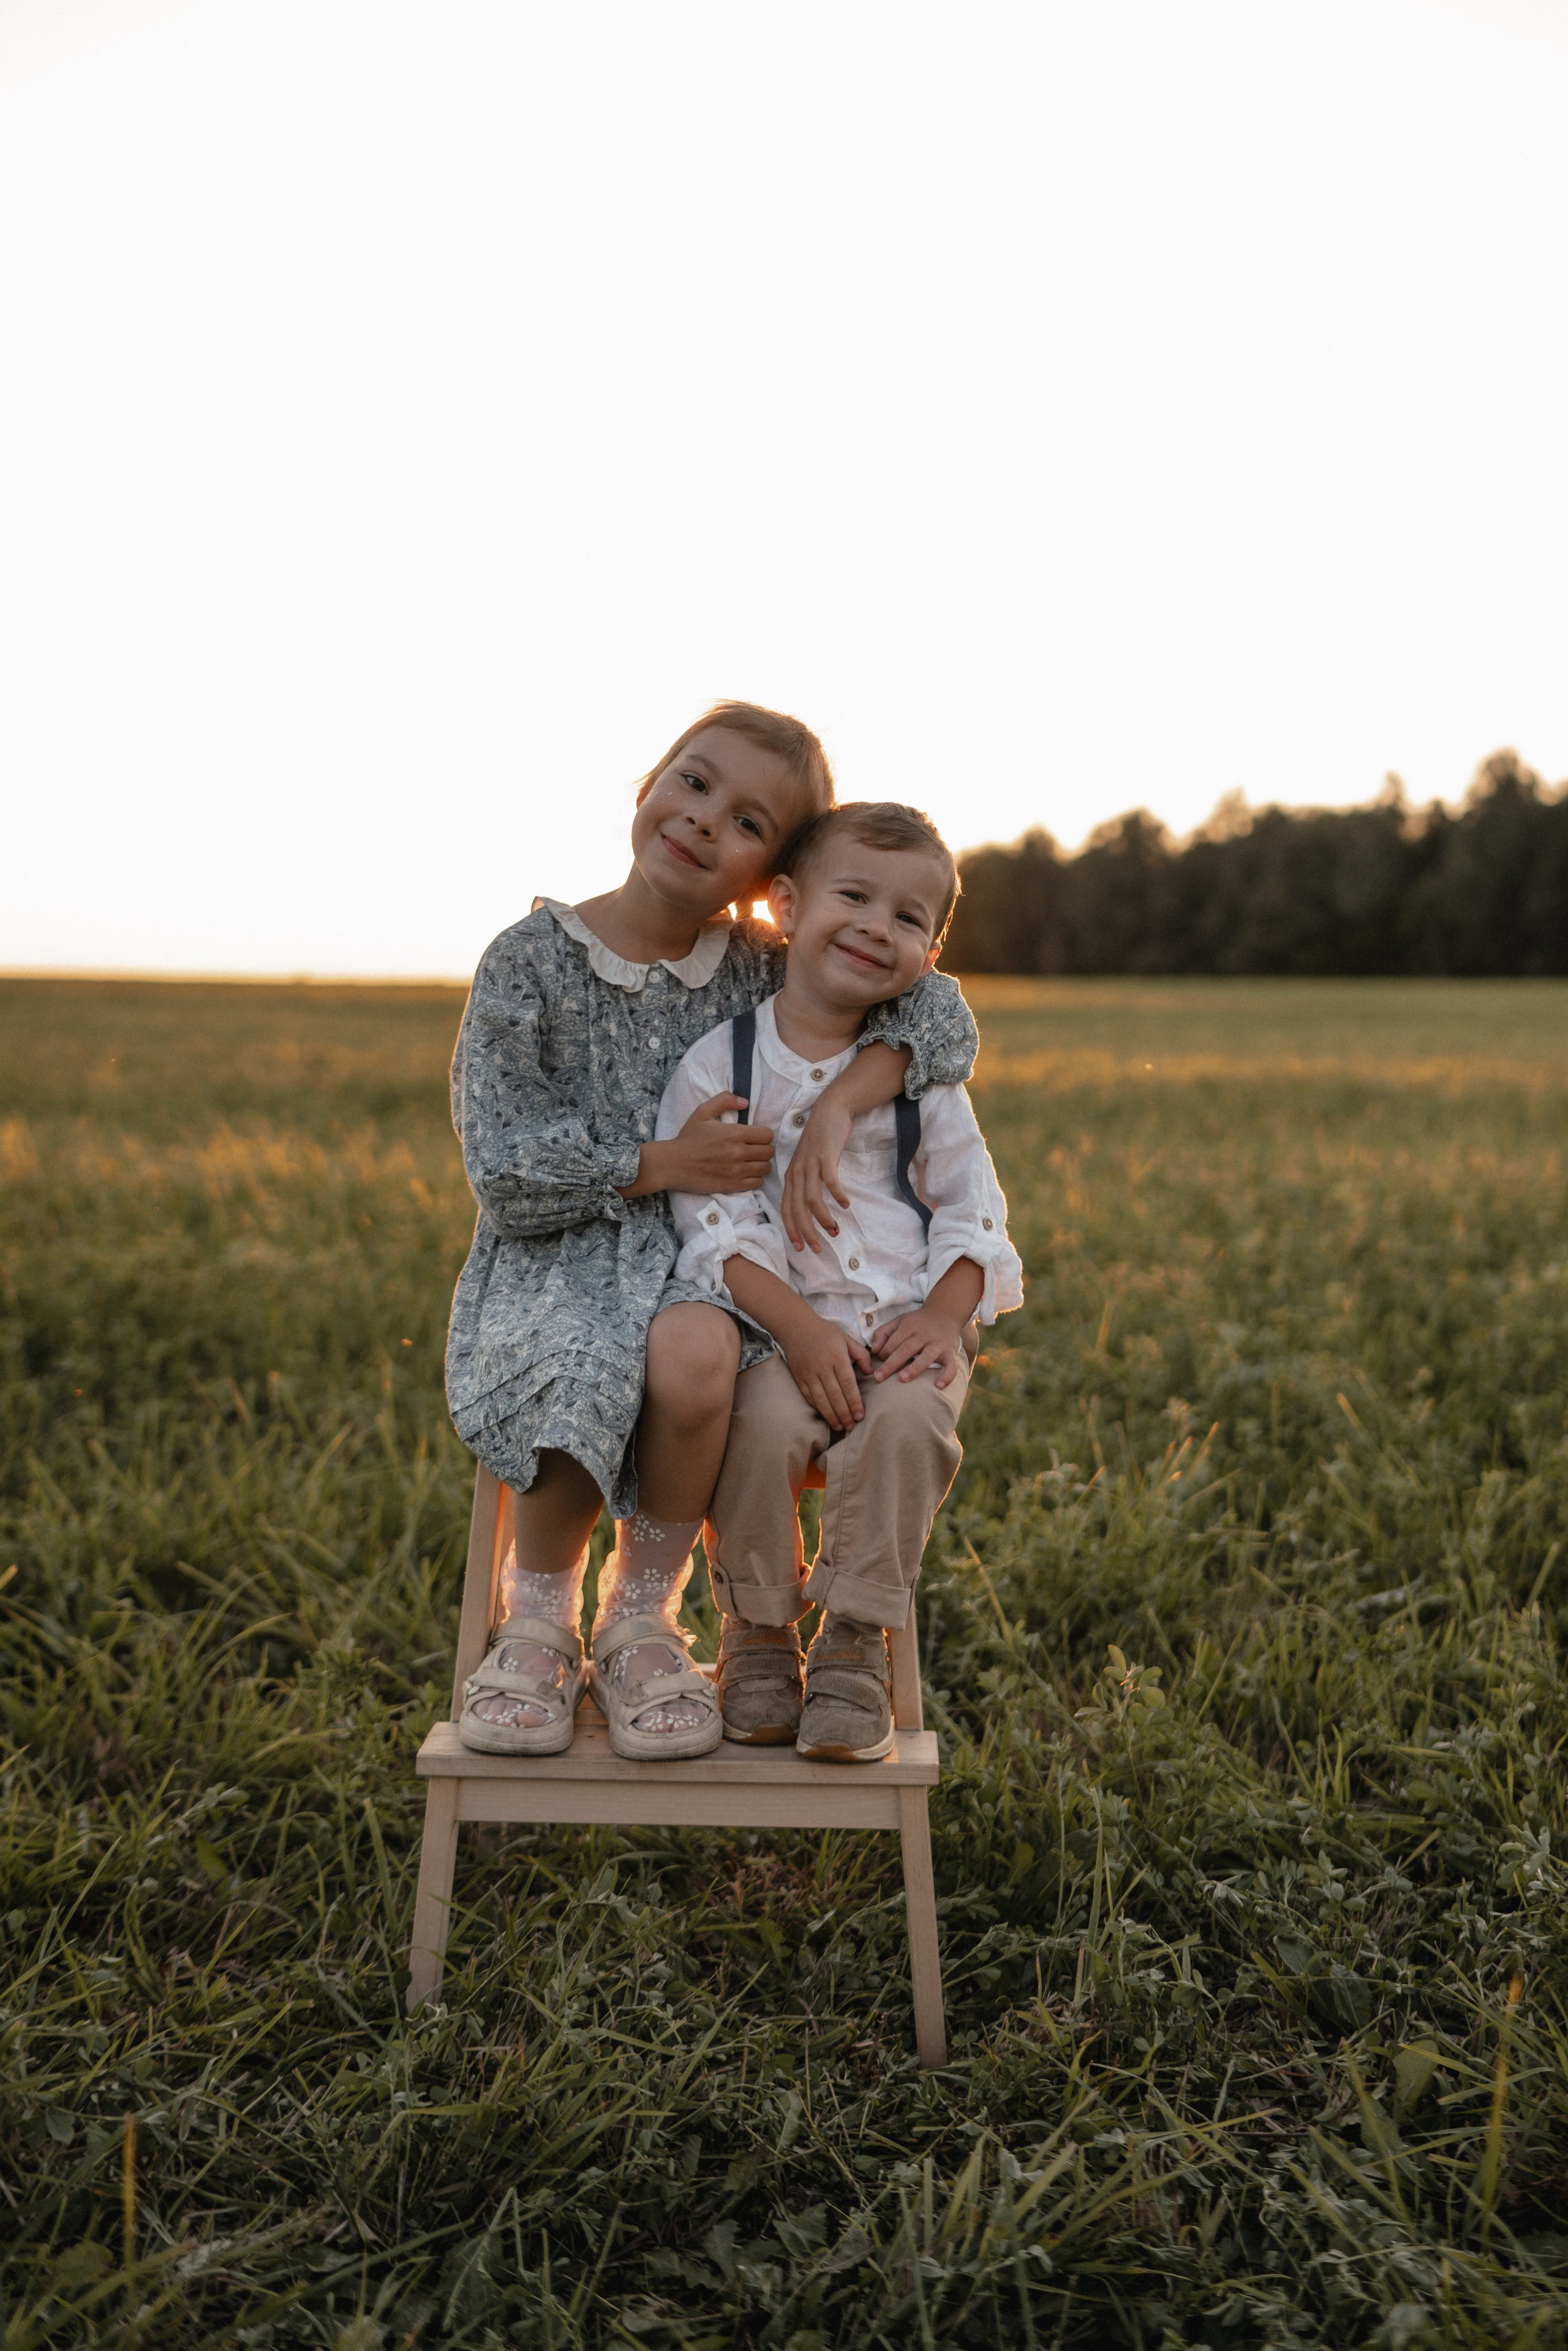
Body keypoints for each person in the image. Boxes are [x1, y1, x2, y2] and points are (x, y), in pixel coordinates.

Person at [448, 706, 979, 1762]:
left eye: (744, 820)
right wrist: (659, 1165)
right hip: (565, 1252)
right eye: (690, 784)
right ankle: (538, 1619)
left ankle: (643, 1611)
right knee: (584, 1355)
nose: (699, 822)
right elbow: (503, 1163)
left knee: (697, 1356)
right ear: (647, 779)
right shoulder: (529, 959)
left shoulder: (753, 965)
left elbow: (939, 1017)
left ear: (767, 874)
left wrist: (843, 1103)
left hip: (722, 1266)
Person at [659, 801, 1023, 1762]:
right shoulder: (723, 1063)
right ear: (784, 905)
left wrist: (947, 1319)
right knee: (761, 1424)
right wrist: (802, 1332)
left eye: (909, 918)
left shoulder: (923, 1079)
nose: (875, 927)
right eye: (853, 896)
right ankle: (761, 1630)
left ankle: (856, 1639)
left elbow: (971, 1208)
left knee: (905, 1423)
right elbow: (714, 1229)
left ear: (931, 951)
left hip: (909, 1323)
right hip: (780, 1329)